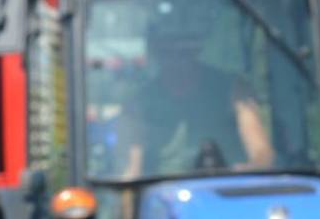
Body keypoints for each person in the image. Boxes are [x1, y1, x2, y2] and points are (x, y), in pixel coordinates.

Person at [117, 25, 274, 180]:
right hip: (166, 195)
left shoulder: (234, 89)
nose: (175, 61)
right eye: (167, 53)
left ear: (195, 51)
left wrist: (254, 168)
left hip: (228, 185)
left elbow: (261, 151)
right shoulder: (139, 103)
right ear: (157, 55)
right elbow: (132, 171)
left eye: (183, 53)